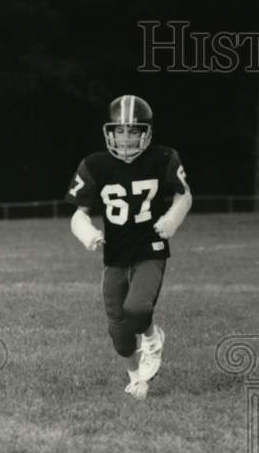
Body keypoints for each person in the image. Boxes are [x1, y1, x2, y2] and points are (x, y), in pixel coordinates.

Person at [65, 95, 192, 400]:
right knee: (118, 328)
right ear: (109, 132)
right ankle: (136, 378)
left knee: (136, 309)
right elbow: (78, 212)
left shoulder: (162, 158)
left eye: (132, 131)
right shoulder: (94, 165)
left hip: (150, 246)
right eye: (119, 131)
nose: (125, 138)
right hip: (115, 252)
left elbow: (184, 195)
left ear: (145, 132)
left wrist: (171, 220)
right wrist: (89, 234)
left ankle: (151, 337)